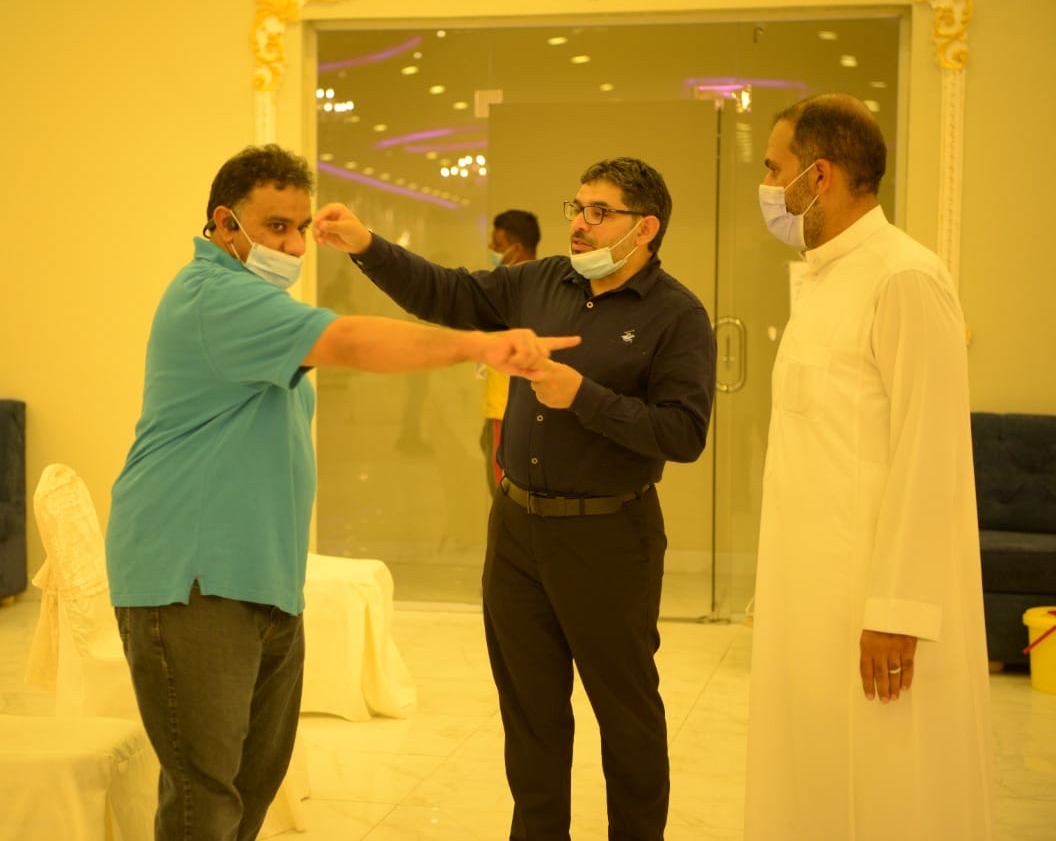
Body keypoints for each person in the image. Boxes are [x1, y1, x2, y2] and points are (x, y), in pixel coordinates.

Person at [105, 143, 578, 841]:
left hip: (261, 580)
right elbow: (350, 340)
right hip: (192, 580)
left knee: (251, 788)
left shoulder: (258, 302)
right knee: (205, 801)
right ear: (225, 224)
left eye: (300, 228)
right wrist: (480, 345)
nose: (294, 246)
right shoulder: (213, 295)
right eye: (275, 227)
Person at [313, 157, 717, 840]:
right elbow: (447, 293)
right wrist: (367, 246)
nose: (579, 223)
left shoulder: (676, 315)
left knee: (626, 718)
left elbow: (683, 433)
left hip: (609, 538)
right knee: (530, 717)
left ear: (645, 228)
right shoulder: (542, 281)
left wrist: (582, 396)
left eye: (599, 212)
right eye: (577, 207)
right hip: (518, 531)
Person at [746, 94, 993, 839]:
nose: (767, 187)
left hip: (870, 605)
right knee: (815, 777)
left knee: (886, 787)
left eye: (775, 169)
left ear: (818, 176)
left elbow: (932, 452)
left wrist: (896, 610)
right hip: (809, 594)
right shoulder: (825, 277)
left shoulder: (905, 277)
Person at [480, 209, 540, 491]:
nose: (491, 248)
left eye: (498, 244)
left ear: (516, 250)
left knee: (505, 494)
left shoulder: (526, 293)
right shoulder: (509, 288)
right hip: (501, 410)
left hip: (507, 413)